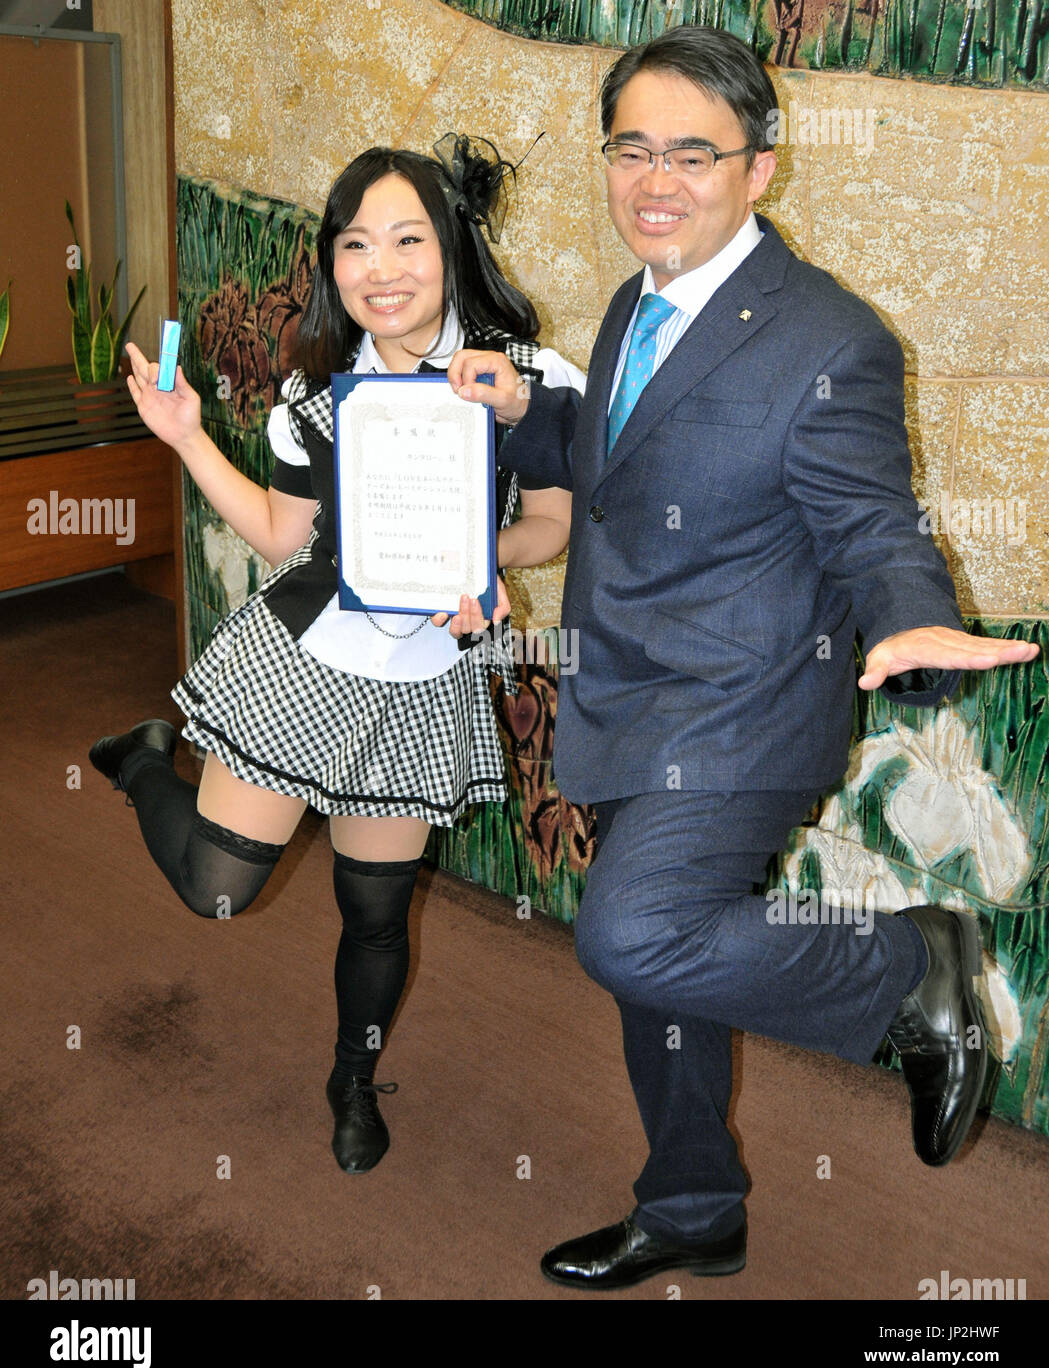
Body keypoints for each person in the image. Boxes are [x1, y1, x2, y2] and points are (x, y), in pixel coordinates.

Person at [448, 27, 1040, 1289]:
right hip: (624, 691)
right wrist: (528, 414)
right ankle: (693, 1204)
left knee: (631, 935)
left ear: (758, 169)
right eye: (630, 148)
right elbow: (623, 466)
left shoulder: (830, 342)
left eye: (691, 153)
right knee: (660, 979)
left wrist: (905, 615)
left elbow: (871, 521)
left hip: (741, 706)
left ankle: (904, 964)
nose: (653, 180)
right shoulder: (636, 298)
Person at [90, 138, 579, 1176]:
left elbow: (550, 523)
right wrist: (184, 435)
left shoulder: (523, 380)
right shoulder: (318, 396)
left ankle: (352, 1082)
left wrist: (477, 560)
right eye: (355, 244)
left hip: (416, 688)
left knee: (376, 910)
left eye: (407, 238)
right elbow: (280, 533)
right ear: (331, 264)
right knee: (217, 888)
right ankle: (142, 759)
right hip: (305, 659)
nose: (380, 267)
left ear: (450, 248)